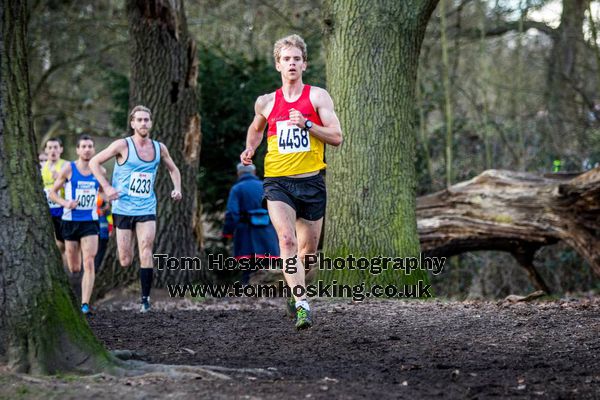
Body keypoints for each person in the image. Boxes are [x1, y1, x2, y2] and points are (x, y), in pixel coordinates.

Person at [240, 34, 343, 329]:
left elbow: (336, 137)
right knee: (286, 240)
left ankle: (295, 291)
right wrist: (250, 148)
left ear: (305, 64)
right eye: (286, 59)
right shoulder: (267, 102)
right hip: (278, 182)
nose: (292, 64)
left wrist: (308, 124)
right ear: (278, 65)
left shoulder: (317, 97)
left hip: (311, 183)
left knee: (307, 254)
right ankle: (302, 306)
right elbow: (256, 129)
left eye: (297, 59)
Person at [89, 105, 182, 313]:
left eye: (146, 120)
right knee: (125, 259)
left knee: (146, 248)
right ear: (132, 123)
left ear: (151, 123)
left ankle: (145, 300)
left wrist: (177, 189)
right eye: (139, 120)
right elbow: (95, 162)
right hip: (123, 208)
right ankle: (132, 288)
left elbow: (174, 169)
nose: (143, 123)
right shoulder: (122, 145)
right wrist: (107, 187)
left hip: (146, 207)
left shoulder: (159, 148)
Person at [49, 135, 103, 315]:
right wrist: (65, 203)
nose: (87, 149)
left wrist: (107, 200)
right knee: (74, 268)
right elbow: (53, 193)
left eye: (90, 146)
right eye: (83, 146)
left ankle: (85, 304)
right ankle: (72, 293)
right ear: (78, 150)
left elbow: (105, 192)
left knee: (89, 262)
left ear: (94, 150)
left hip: (90, 222)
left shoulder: (99, 170)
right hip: (70, 222)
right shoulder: (69, 168)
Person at [223, 163, 280, 285]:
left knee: (247, 271)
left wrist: (227, 233)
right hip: (268, 234)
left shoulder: (237, 189)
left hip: (246, 235)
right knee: (268, 269)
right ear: (254, 173)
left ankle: (248, 293)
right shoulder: (266, 187)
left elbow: (232, 213)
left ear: (239, 174)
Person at [41, 137, 68, 266]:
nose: (53, 151)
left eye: (55, 147)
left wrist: (62, 180)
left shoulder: (66, 165)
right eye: (50, 147)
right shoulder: (42, 168)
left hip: (63, 209)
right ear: (46, 150)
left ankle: (65, 270)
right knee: (52, 242)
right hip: (47, 210)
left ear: (61, 149)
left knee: (63, 243)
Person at [94, 187, 113, 273]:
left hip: (104, 228)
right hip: (94, 226)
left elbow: (110, 215)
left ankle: (96, 268)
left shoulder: (108, 195)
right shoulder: (93, 193)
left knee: (101, 247)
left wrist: (111, 229)